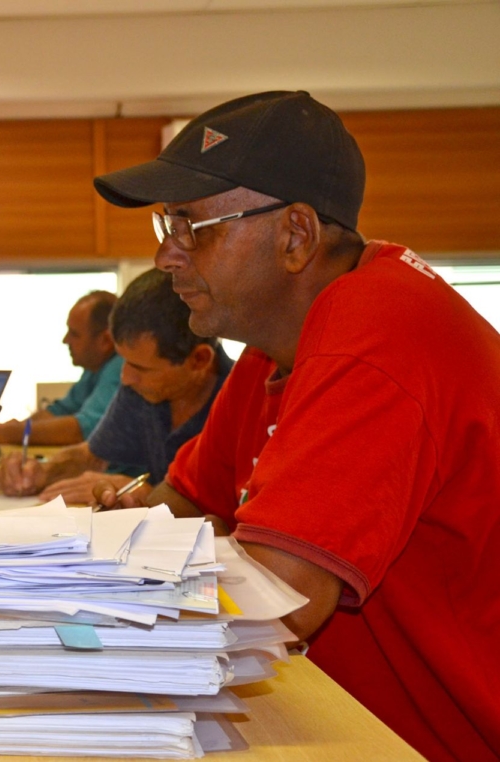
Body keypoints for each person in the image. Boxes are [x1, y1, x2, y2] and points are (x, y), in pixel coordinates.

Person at [90, 91, 500, 762]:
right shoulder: (275, 348)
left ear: (296, 236)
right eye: (168, 226)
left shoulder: (375, 333)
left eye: (195, 226)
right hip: (340, 719)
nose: (169, 256)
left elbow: (277, 602)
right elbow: (190, 502)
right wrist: (114, 526)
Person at [0, 268, 231, 504]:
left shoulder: (242, 399)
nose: (125, 377)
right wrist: (41, 472)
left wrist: (148, 494)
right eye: (123, 360)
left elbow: (237, 510)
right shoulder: (141, 391)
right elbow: (93, 455)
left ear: (199, 361)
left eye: (140, 368)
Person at [0, 290, 122, 446]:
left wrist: (6, 433)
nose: (65, 340)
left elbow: (81, 431)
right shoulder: (94, 369)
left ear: (105, 340)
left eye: (74, 334)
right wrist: (13, 429)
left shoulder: (120, 367)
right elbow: (58, 411)